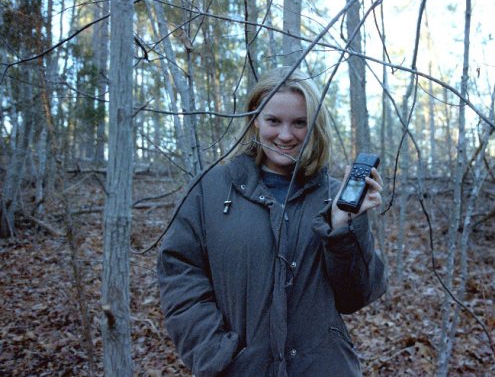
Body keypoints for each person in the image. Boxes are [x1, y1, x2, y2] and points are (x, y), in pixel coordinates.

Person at [157, 67, 387, 376]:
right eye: (274, 121)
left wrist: (343, 227)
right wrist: (215, 354)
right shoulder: (211, 189)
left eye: (299, 123)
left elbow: (354, 296)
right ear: (255, 121)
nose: (285, 135)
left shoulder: (334, 197)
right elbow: (179, 274)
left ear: (314, 126)